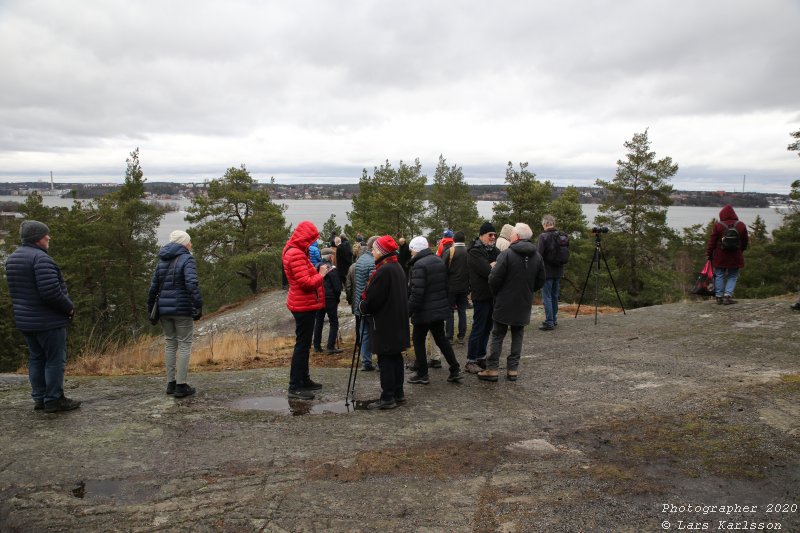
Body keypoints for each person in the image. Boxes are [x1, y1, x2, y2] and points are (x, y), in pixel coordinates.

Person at [5, 220, 80, 413]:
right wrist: (69, 308)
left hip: (26, 320)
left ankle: (39, 397)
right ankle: (54, 399)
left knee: (36, 358)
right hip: (48, 321)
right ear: (37, 238)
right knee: (55, 359)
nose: (49, 237)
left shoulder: (12, 258)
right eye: (45, 234)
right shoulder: (41, 259)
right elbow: (51, 292)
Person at [478, 223, 545, 382]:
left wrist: (498, 293)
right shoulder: (537, 256)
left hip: (504, 300)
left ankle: (492, 369)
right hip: (524, 301)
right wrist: (528, 290)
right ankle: (513, 369)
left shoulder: (507, 254)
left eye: (512, 234)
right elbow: (541, 280)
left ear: (516, 237)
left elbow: (493, 279)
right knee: (518, 334)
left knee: (497, 334)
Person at [147, 230, 204, 398]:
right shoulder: (187, 259)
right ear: (184, 243)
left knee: (170, 344)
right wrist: (198, 304)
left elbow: (153, 288)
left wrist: (151, 309)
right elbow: (191, 283)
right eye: (189, 242)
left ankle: (170, 383)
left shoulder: (162, 260)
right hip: (182, 309)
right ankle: (181, 385)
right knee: (185, 344)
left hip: (164, 310)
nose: (191, 244)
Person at [359, 235, 410, 410]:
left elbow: (373, 301)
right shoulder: (396, 266)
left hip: (385, 323)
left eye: (373, 249)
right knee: (395, 357)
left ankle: (387, 397)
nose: (372, 252)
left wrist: (363, 305)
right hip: (397, 320)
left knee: (386, 359)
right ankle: (398, 393)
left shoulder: (383, 270)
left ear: (381, 251)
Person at [406, 237, 463, 385]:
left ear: (415, 249)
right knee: (441, 339)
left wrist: (408, 311)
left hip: (424, 311)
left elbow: (417, 293)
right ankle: (455, 369)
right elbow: (445, 286)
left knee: (418, 339)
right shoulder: (438, 260)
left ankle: (422, 373)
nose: (410, 252)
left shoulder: (419, 265)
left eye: (411, 249)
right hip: (438, 309)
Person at [282, 220, 329, 400]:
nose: (312, 242)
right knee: (301, 346)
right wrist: (322, 274)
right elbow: (306, 283)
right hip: (303, 304)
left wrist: (316, 270)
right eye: (310, 239)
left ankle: (304, 379)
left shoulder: (293, 249)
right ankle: (295, 386)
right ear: (304, 237)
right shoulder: (295, 254)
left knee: (304, 344)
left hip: (302, 303)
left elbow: (302, 275)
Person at [465, 222, 499, 373]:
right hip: (480, 295)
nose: (492, 237)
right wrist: (492, 266)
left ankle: (480, 357)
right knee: (478, 328)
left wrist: (493, 265)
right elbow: (487, 271)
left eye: (494, 235)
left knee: (487, 328)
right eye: (489, 235)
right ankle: (470, 360)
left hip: (493, 296)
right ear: (481, 235)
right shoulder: (475, 251)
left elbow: (501, 269)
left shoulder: (496, 250)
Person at [706, 205, 749, 305]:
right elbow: (745, 241)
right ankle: (727, 296)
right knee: (733, 276)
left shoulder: (718, 225)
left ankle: (719, 297)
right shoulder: (741, 225)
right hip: (735, 255)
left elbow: (712, 242)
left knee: (719, 275)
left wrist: (709, 254)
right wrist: (740, 250)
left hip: (720, 256)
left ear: (722, 214)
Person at [537, 214, 566, 331]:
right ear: (553, 223)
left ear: (545, 224)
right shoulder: (562, 235)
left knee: (547, 296)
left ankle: (549, 321)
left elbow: (538, 255)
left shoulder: (543, 236)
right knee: (554, 295)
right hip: (559, 270)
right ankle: (553, 319)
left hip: (547, 272)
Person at [353, 236, 378, 371]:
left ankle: (366, 362)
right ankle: (380, 362)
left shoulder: (361, 259)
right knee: (377, 333)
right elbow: (373, 285)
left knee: (365, 333)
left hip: (360, 303)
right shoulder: (373, 262)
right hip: (370, 304)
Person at [313, 257, 343, 355]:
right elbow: (337, 287)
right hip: (330, 298)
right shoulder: (332, 269)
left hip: (320, 298)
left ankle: (317, 346)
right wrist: (337, 298)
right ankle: (330, 347)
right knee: (334, 322)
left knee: (319, 321)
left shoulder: (316, 269)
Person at [445, 231, 469, 344]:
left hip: (451, 286)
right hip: (464, 286)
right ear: (464, 240)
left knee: (449, 311)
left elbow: (443, 267)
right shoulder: (469, 251)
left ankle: (449, 336)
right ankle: (461, 336)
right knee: (462, 311)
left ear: (454, 239)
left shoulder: (450, 251)